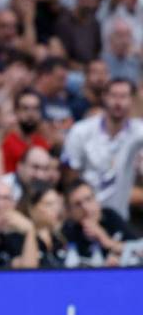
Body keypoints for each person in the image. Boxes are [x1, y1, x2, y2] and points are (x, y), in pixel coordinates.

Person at [61, 79, 143, 219]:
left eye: (124, 96)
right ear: (104, 97)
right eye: (113, 95)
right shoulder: (81, 131)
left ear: (132, 100)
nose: (118, 102)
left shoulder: (139, 133)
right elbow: (69, 178)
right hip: (84, 214)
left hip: (121, 216)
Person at [63, 179, 136, 265]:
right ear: (70, 211)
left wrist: (106, 240)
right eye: (78, 204)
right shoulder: (68, 232)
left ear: (96, 199)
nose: (85, 208)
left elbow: (139, 248)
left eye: (88, 199)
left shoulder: (110, 216)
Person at [17, 185, 66, 268]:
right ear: (32, 208)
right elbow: (28, 268)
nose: (56, 209)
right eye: (49, 204)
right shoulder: (18, 238)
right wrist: (30, 231)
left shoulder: (61, 237)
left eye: (57, 204)